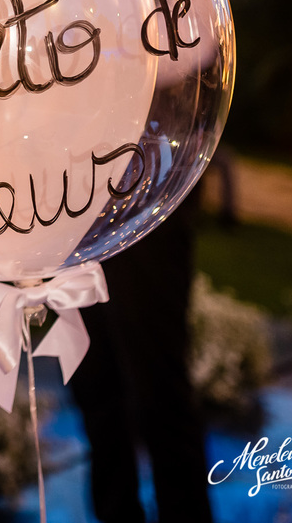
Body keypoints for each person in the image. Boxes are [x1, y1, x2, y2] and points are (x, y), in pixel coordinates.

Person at [69, 191, 213, 523]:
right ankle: (114, 511)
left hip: (145, 205)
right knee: (93, 385)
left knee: (159, 388)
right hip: (72, 214)